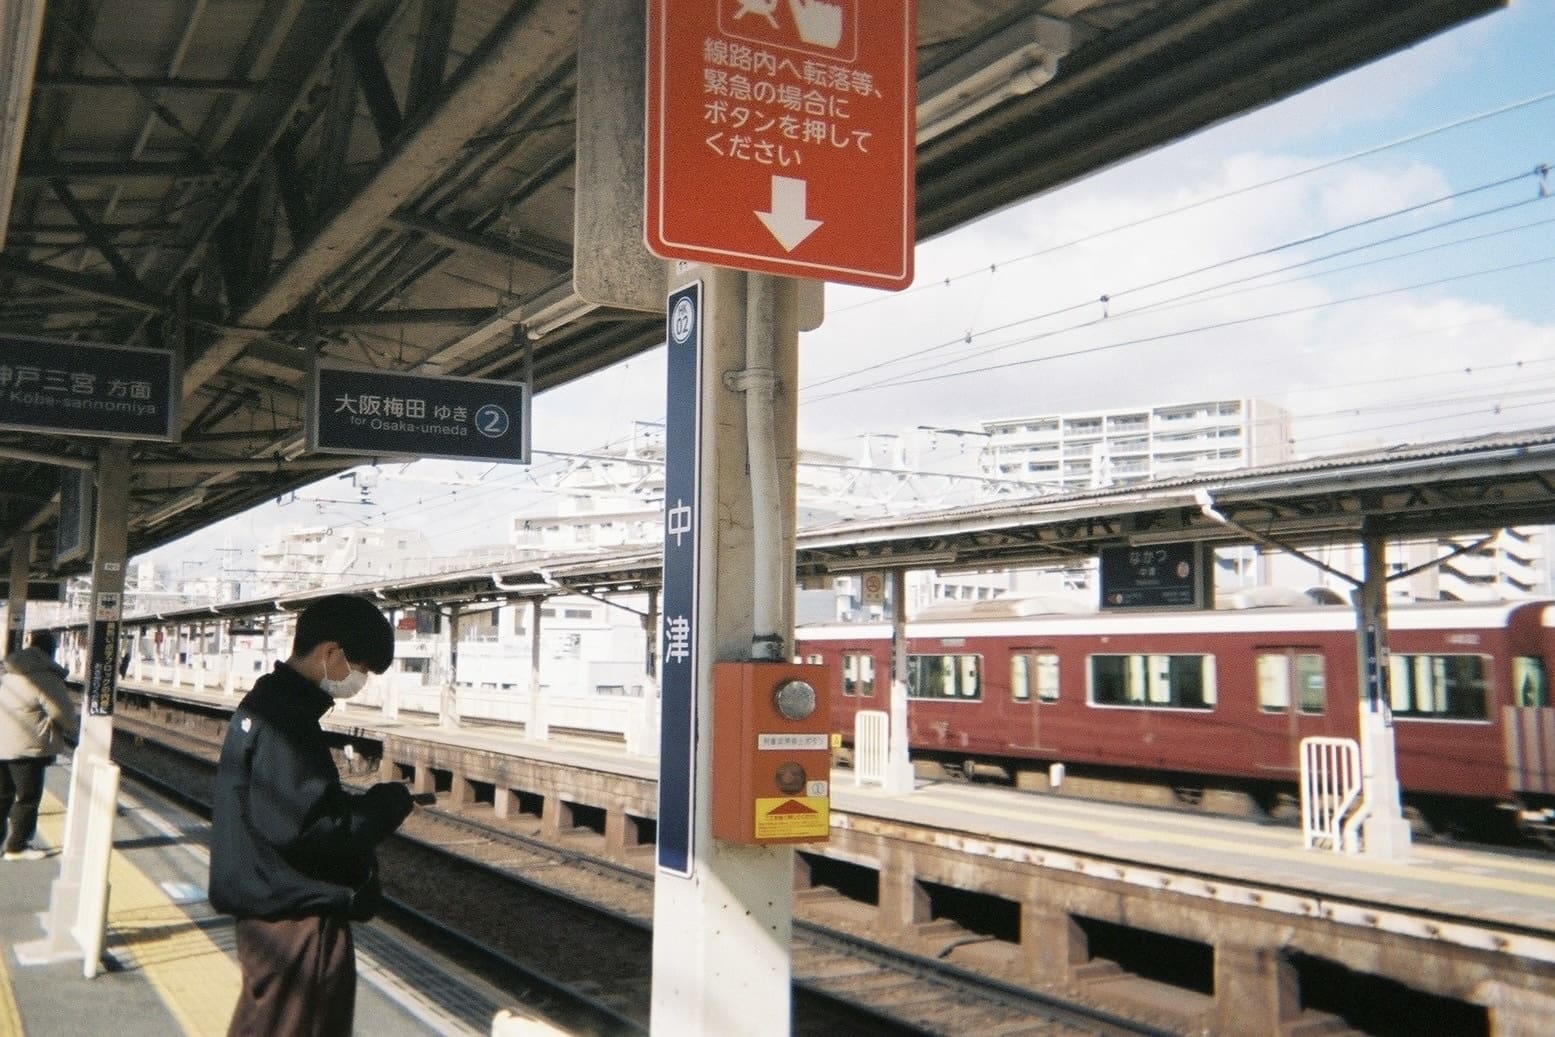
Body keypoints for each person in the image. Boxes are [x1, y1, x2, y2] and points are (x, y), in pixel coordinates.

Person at [209, 594, 415, 1037]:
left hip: (267, 905)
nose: (359, 681)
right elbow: (310, 827)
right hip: (295, 920)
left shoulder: (266, 703)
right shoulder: (287, 721)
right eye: (360, 668)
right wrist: (385, 807)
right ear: (330, 652)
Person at [0, 630, 78, 861]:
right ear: (51, 651)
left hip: (1, 745)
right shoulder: (44, 676)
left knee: (2, 796)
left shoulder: (10, 673)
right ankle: (17, 847)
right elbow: (61, 712)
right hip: (27, 748)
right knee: (27, 798)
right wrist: (73, 729)